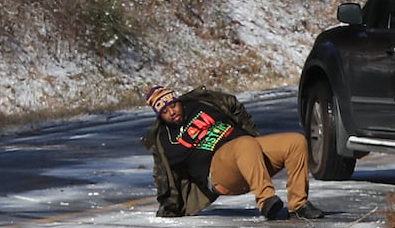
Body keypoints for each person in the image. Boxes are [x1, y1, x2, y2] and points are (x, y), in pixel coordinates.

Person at [139, 84, 325, 220]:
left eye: (173, 105)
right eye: (164, 111)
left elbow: (233, 106)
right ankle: (267, 201)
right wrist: (169, 205)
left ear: (178, 101)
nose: (172, 112)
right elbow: (165, 175)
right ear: (159, 116)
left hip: (250, 156)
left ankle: (299, 204)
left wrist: (251, 130)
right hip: (220, 174)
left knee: (295, 142)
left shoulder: (202, 104)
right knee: (244, 144)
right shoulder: (165, 139)